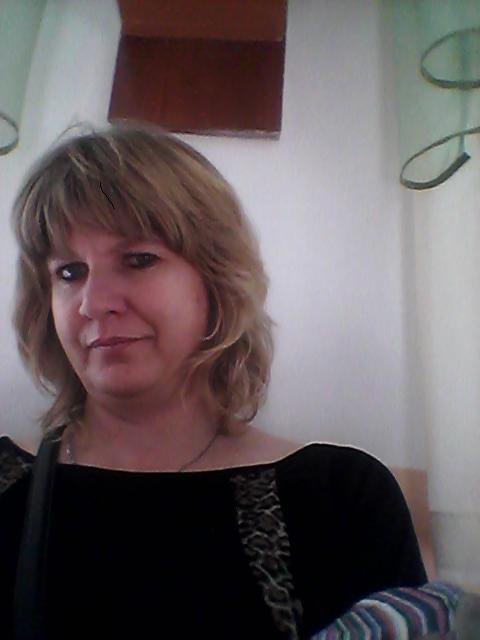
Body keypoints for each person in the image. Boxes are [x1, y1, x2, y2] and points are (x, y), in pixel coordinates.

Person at [0, 121, 427, 639]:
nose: (93, 303)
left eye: (138, 260)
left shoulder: (343, 499)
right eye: (69, 272)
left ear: (216, 281)